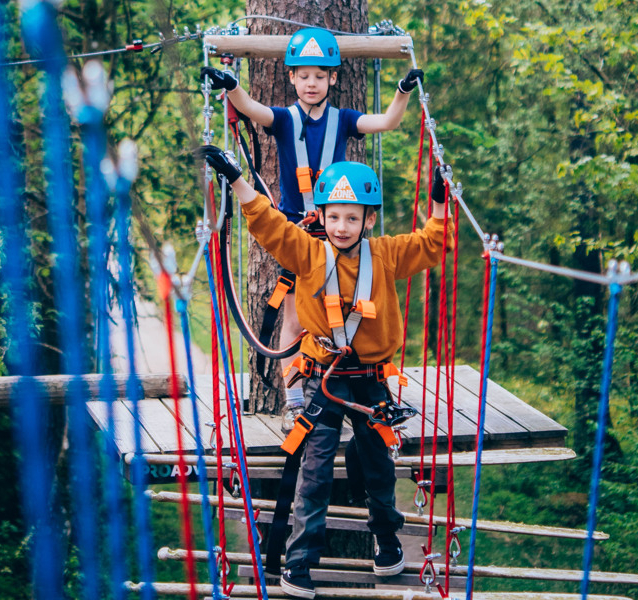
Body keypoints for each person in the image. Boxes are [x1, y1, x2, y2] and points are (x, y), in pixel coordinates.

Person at [197, 144, 453, 599]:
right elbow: (268, 223)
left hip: (371, 380)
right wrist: (237, 178)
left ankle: (387, 541)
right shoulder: (308, 253)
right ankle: (299, 564)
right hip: (324, 381)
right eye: (334, 217)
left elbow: (432, 245)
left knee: (378, 465)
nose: (341, 227)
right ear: (322, 215)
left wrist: (437, 201)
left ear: (368, 220)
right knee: (313, 473)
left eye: (352, 218)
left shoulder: (388, 255)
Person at [201, 27, 425, 424]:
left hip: (341, 230)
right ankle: (295, 403)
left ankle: (356, 386)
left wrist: (403, 91)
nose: (311, 83)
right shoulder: (285, 120)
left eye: (320, 76)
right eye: (303, 75)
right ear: (291, 77)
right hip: (300, 234)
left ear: (333, 79)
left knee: (349, 311)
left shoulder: (344, 120)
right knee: (295, 319)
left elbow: (388, 122)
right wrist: (232, 84)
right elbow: (252, 109)